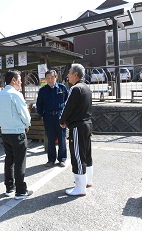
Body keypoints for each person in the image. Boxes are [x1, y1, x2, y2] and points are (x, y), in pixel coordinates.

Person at [0, 70, 33, 200]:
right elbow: (25, 114)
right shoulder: (16, 95)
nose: (21, 82)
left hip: (5, 132)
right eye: (20, 80)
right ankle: (21, 191)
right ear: (13, 80)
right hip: (17, 132)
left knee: (9, 160)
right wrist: (27, 125)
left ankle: (9, 187)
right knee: (19, 161)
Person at [59, 63, 93, 196]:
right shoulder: (86, 88)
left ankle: (80, 188)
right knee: (87, 154)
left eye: (69, 73)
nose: (67, 75)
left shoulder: (75, 89)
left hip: (78, 126)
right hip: (87, 124)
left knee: (78, 156)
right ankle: (87, 181)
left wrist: (62, 121)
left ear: (75, 75)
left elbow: (68, 108)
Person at [36, 69, 68, 168]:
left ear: (56, 77)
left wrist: (66, 117)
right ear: (45, 79)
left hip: (60, 116)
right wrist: (42, 115)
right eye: (48, 78)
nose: (50, 80)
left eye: (52, 77)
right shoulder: (43, 90)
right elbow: (39, 104)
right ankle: (51, 159)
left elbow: (67, 103)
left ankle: (62, 159)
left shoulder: (62, 88)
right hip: (48, 117)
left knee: (62, 138)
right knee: (50, 139)